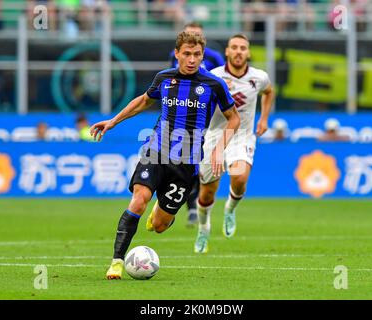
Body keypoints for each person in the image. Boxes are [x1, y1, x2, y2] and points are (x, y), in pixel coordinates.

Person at [90, 31, 240, 279]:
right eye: (187, 54)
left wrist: (218, 149)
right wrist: (113, 121)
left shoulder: (214, 84)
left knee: (159, 226)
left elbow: (233, 118)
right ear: (177, 54)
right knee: (139, 200)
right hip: (156, 152)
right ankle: (116, 262)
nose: (192, 59)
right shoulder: (164, 79)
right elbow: (143, 101)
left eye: (197, 55)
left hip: (186, 164)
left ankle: (160, 211)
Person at [194, 34, 275, 254]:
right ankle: (204, 227)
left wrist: (264, 118)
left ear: (248, 53)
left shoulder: (259, 77)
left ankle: (230, 209)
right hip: (214, 137)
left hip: (242, 136)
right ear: (227, 52)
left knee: (239, 178)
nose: (239, 51)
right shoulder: (214, 76)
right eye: (234, 48)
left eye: (243, 48)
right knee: (206, 194)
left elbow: (269, 92)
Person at [168, 22, 226, 227]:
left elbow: (221, 79)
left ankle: (195, 204)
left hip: (208, 118)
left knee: (199, 165)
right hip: (183, 118)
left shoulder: (214, 58)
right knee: (183, 163)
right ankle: (188, 205)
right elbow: (171, 80)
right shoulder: (176, 57)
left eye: (197, 35)